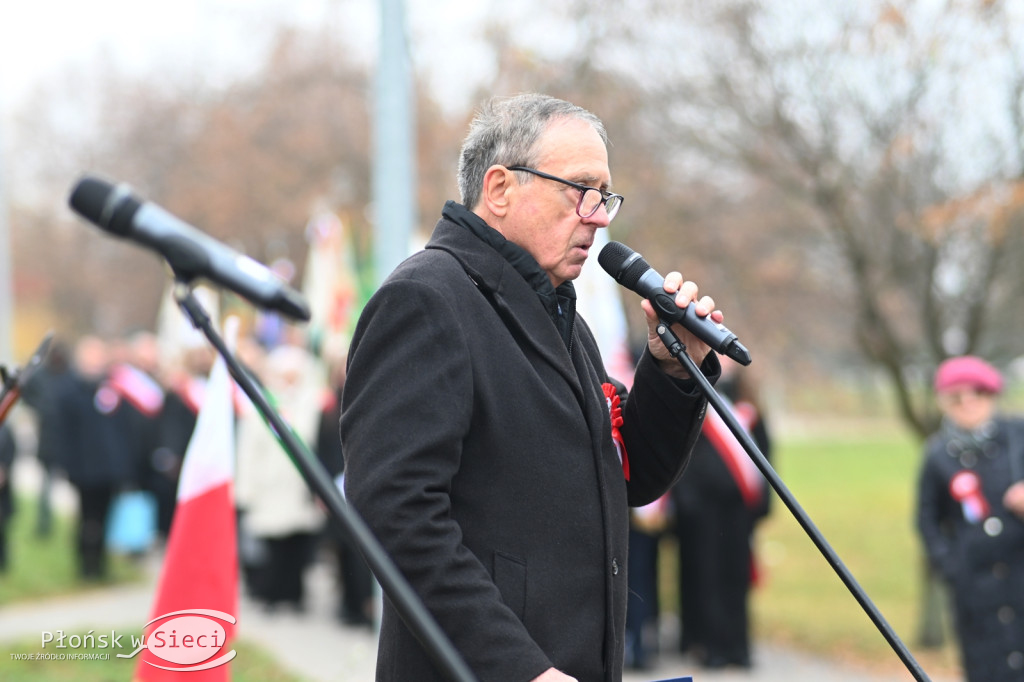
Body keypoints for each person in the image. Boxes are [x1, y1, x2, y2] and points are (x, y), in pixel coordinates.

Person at [340, 93, 724, 682]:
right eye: (580, 189)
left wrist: (673, 368)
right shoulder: (426, 299)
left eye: (605, 197)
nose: (598, 216)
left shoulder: (562, 317)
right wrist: (522, 670)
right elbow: (396, 517)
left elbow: (629, 478)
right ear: (499, 189)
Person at [916, 355, 1024, 682]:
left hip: (1020, 572)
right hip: (974, 586)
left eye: (976, 393)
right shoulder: (937, 455)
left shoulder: (1017, 436)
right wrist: (952, 567)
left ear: (991, 395)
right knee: (985, 667)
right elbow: (927, 519)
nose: (967, 403)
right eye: (956, 397)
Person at [670, 358, 771, 669]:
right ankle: (712, 647)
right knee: (708, 578)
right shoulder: (700, 408)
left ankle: (738, 646)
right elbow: (682, 457)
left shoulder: (750, 412)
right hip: (705, 513)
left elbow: (765, 461)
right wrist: (688, 505)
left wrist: (762, 506)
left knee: (737, 579)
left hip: (739, 510)